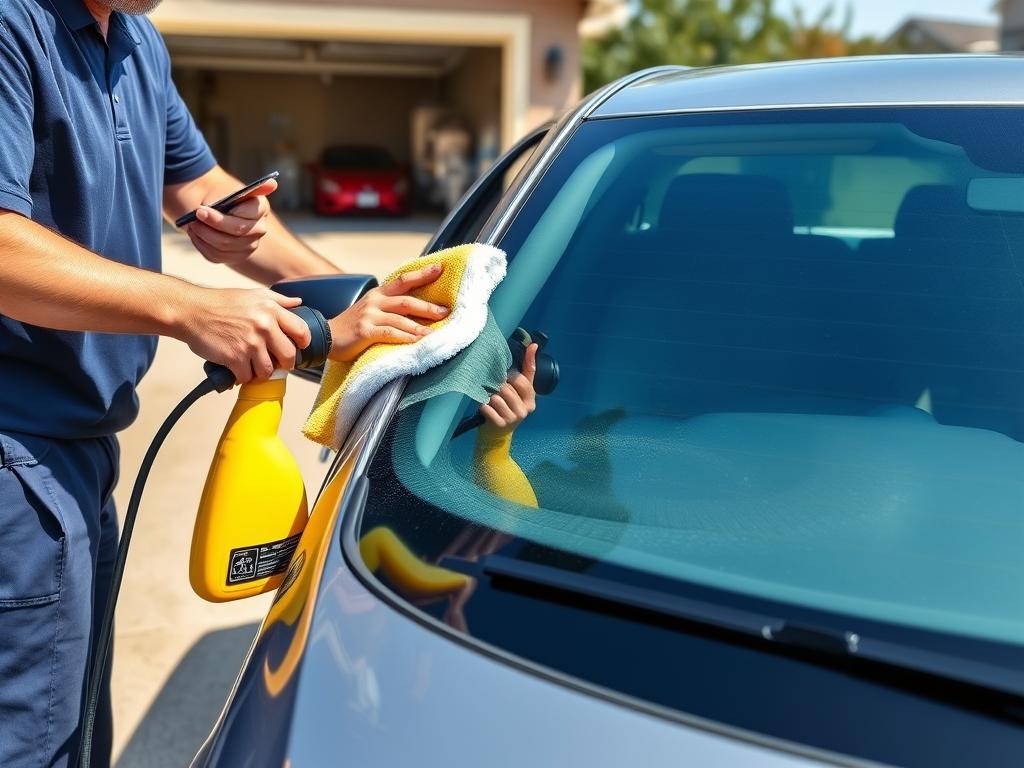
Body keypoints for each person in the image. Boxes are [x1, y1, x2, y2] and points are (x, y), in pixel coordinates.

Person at [0, 0, 451, 765]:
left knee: (72, 725)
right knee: (31, 738)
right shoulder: (14, 25)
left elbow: (201, 184)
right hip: (17, 451)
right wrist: (192, 309)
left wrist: (370, 304)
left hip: (79, 450)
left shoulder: (135, 43)